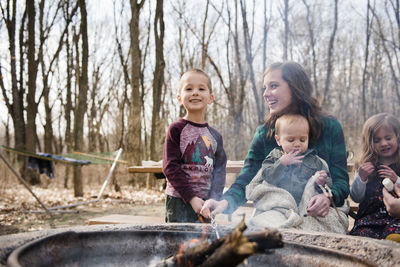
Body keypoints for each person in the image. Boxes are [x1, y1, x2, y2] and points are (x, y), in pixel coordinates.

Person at [201, 62, 349, 226]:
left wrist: (328, 197)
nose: (266, 94)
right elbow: (247, 179)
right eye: (265, 88)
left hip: (318, 215)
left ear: (295, 87)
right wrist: (224, 202)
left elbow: (341, 181)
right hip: (275, 212)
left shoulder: (329, 128)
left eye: (273, 86)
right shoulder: (265, 133)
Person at [245, 114, 348, 232]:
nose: (297, 144)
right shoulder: (275, 157)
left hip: (306, 206)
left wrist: (320, 182)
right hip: (281, 206)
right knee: (266, 223)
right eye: (291, 140)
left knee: (325, 226)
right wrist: (282, 163)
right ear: (278, 140)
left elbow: (327, 184)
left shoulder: (315, 160)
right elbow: (267, 176)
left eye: (302, 140)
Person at [162, 68, 227, 223]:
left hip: (206, 203)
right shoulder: (176, 129)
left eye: (201, 88)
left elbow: (220, 171)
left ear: (210, 98)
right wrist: (191, 198)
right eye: (189, 89)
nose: (195, 92)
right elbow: (170, 167)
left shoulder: (215, 136)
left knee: (203, 244)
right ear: (179, 98)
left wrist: (213, 199)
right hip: (179, 201)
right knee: (177, 244)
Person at [349, 113, 400, 241]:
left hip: (396, 219)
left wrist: (396, 179)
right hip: (369, 220)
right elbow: (356, 197)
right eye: (377, 140)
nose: (383, 143)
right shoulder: (366, 165)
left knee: (395, 235)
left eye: (388, 138)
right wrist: (361, 178)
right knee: (362, 237)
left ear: (397, 137)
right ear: (369, 142)